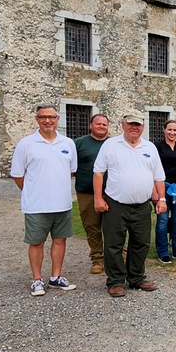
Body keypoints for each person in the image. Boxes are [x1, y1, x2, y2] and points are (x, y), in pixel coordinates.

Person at [92, 110, 166, 297]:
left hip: (142, 205)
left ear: (143, 127)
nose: (134, 127)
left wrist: (162, 199)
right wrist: (98, 198)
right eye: (130, 124)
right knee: (114, 244)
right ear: (123, 124)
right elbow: (99, 172)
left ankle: (136, 277)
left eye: (138, 124)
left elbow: (158, 176)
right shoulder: (111, 145)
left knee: (141, 243)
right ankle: (116, 281)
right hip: (116, 204)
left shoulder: (150, 148)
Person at [9, 104, 79, 297]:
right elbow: (17, 175)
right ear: (36, 119)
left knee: (59, 240)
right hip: (37, 204)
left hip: (62, 203)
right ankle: (37, 279)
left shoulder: (67, 143)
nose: (47, 121)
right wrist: (33, 190)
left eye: (51, 117)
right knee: (36, 242)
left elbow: (71, 171)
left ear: (58, 119)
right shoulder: (26, 144)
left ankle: (56, 277)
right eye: (43, 117)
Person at [74, 113, 110, 274]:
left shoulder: (114, 144)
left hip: (112, 193)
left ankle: (118, 256)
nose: (102, 127)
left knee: (115, 227)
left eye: (104, 124)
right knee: (92, 226)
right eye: (98, 124)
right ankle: (97, 259)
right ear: (90, 125)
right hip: (87, 192)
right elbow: (70, 167)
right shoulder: (79, 144)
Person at [154, 119, 176, 264]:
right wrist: (155, 192)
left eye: (175, 130)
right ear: (164, 130)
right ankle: (163, 252)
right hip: (163, 186)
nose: (172, 133)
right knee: (162, 220)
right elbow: (153, 169)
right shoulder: (157, 147)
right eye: (169, 129)